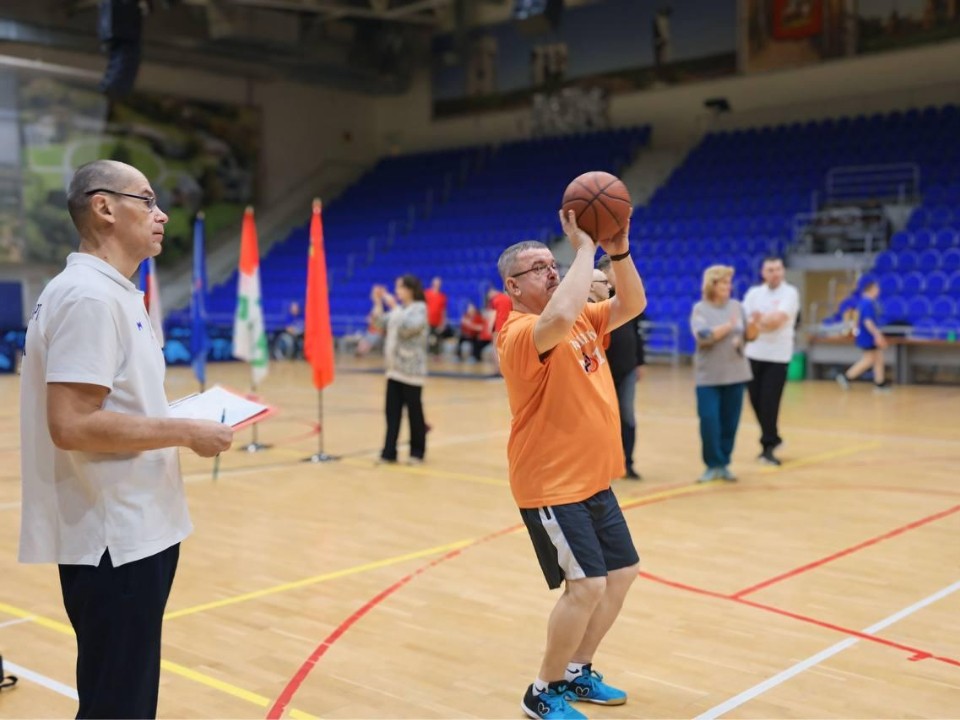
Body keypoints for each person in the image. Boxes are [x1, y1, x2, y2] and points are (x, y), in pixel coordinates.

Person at [18, 159, 233, 719]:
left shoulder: (107, 292)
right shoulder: (89, 297)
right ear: (104, 207)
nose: (161, 215)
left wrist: (176, 416)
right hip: (114, 539)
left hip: (132, 529)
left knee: (122, 696)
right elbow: (72, 424)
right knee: (119, 705)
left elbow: (114, 406)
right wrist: (185, 430)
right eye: (148, 200)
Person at [496, 210, 646, 720]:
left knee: (622, 572)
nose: (551, 270)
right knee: (585, 586)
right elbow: (556, 320)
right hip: (551, 484)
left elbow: (634, 303)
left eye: (551, 262)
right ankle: (543, 690)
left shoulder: (584, 315)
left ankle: (578, 671)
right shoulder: (518, 334)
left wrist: (618, 251)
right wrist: (584, 247)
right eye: (538, 268)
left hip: (592, 479)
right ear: (513, 286)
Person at [690, 265, 759, 483]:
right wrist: (728, 327)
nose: (728, 287)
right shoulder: (700, 309)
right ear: (712, 284)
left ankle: (724, 464)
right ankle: (712, 464)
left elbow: (750, 336)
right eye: (723, 283)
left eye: (729, 282)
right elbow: (704, 336)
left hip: (736, 374)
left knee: (730, 423)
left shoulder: (738, 307)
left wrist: (754, 326)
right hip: (708, 377)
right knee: (709, 422)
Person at [742, 257, 800, 466]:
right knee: (755, 401)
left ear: (783, 271)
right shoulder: (753, 294)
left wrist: (759, 321)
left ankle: (767, 447)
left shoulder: (790, 293)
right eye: (770, 270)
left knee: (769, 402)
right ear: (763, 273)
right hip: (753, 354)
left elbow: (778, 321)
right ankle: (773, 437)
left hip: (777, 357)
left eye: (778, 269)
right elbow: (745, 322)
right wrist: (759, 322)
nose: (774, 273)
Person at [597, 255, 646, 481]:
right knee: (601, 419)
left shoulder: (628, 299)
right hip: (600, 371)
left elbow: (637, 333)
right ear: (603, 273)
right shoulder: (593, 302)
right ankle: (603, 465)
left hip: (626, 367)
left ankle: (628, 463)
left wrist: (640, 361)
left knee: (627, 416)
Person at [372, 275, 429, 464]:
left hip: (411, 371)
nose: (397, 291)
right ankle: (389, 452)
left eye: (400, 288)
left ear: (410, 289)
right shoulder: (401, 310)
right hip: (394, 369)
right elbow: (379, 323)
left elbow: (407, 328)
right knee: (392, 413)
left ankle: (417, 452)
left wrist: (394, 307)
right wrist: (378, 302)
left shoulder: (419, 309)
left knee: (414, 413)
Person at [836, 279, 891, 392]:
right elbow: (868, 322)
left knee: (878, 358)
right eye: (876, 289)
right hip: (868, 336)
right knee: (869, 359)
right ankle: (847, 376)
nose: (878, 291)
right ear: (871, 290)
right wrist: (877, 335)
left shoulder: (863, 303)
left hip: (866, 335)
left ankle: (879, 383)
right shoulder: (867, 303)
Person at [423, 276, 451, 355]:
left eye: (439, 283)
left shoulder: (443, 297)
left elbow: (444, 311)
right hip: (427, 322)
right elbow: (423, 307)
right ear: (432, 283)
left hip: (437, 323)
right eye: (436, 283)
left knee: (436, 341)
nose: (437, 285)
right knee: (427, 341)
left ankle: (436, 357)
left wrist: (443, 323)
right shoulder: (426, 293)